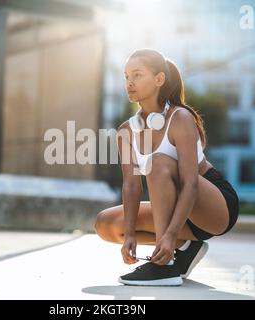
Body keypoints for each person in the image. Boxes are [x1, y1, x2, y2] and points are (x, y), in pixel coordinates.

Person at [94, 48, 240, 286]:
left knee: (158, 161)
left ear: (159, 79)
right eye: (126, 76)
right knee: (106, 224)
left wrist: (169, 234)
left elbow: (191, 183)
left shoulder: (179, 118)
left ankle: (164, 265)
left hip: (213, 207)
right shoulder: (126, 131)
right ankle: (186, 246)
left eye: (137, 75)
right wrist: (130, 233)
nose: (129, 82)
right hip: (175, 213)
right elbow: (131, 185)